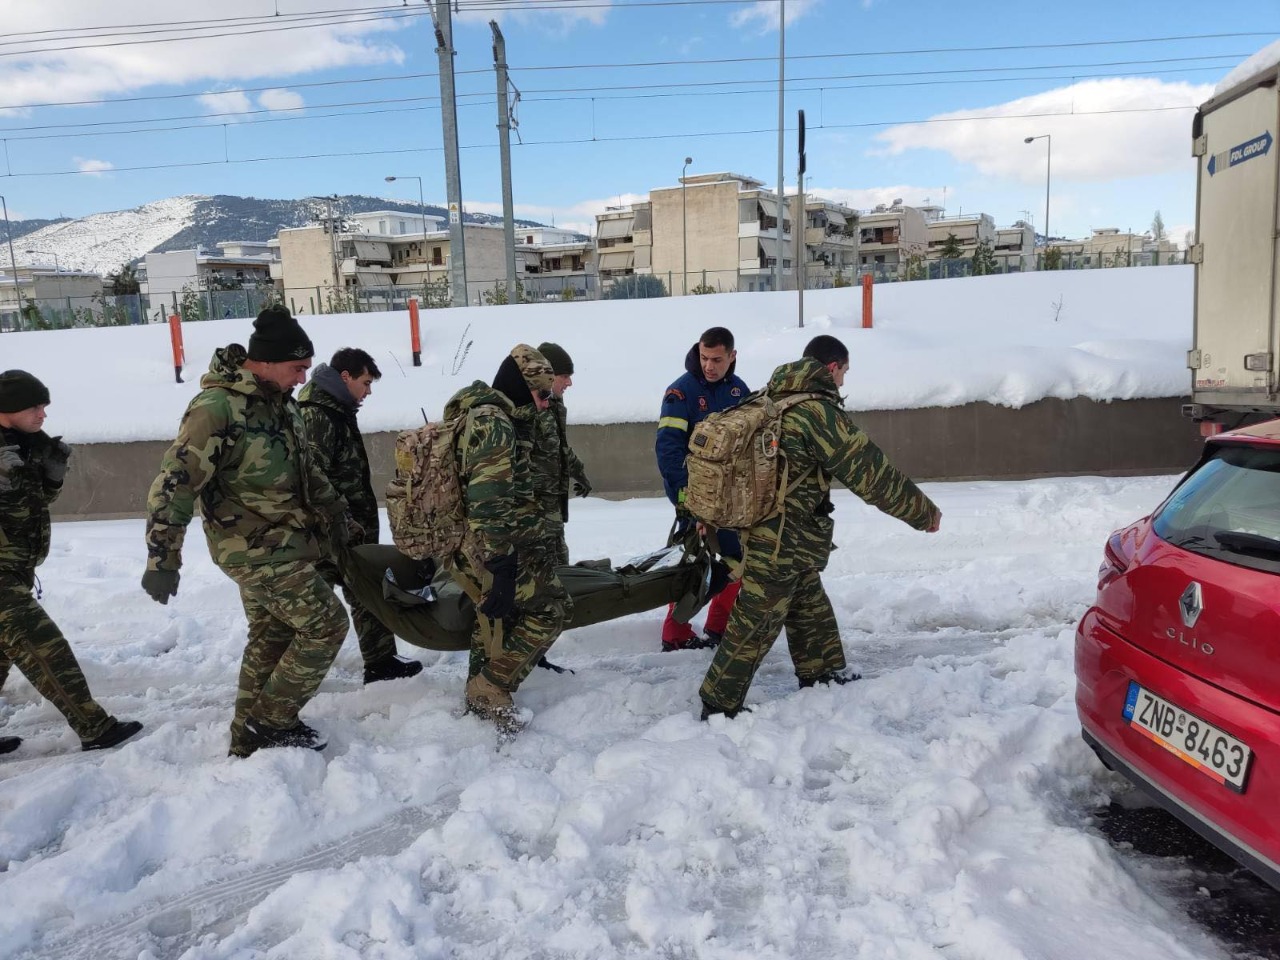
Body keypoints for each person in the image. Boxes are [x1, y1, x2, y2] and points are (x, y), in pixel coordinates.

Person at [142, 306, 355, 757]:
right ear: (268, 361)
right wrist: (162, 558)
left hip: (287, 544)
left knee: (273, 636)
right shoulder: (217, 408)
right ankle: (270, 722)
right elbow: (175, 483)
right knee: (327, 625)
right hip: (252, 549)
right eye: (297, 368)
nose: (303, 378)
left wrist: (338, 515)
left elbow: (307, 470)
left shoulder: (282, 405)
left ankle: (247, 737)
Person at [698, 335, 942, 719]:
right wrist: (922, 513)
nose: (843, 381)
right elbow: (869, 471)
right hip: (780, 538)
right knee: (756, 622)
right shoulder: (817, 412)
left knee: (807, 597)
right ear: (832, 368)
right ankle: (718, 702)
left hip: (784, 535)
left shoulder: (772, 397)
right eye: (843, 372)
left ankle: (822, 672)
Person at [0, 370, 142, 755]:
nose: (43, 413)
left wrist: (51, 476)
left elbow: (31, 504)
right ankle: (94, 727)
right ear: (7, 407)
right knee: (43, 646)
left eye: (44, 405)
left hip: (16, 567)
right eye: (34, 406)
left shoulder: (27, 443)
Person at [443, 344, 569, 735]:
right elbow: (489, 500)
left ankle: (480, 692)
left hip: (477, 544)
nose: (545, 404)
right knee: (552, 609)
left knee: (492, 618)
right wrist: (500, 562)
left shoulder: (483, 413)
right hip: (489, 547)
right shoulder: (494, 423)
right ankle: (491, 686)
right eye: (541, 394)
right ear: (520, 385)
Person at [298, 347, 422, 685]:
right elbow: (312, 476)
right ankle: (285, 676)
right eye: (365, 383)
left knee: (367, 590)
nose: (368, 391)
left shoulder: (337, 409)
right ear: (345, 377)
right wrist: (336, 521)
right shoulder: (318, 415)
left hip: (351, 527)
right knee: (314, 605)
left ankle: (381, 661)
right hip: (332, 532)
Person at [654, 326, 749, 651]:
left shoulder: (739, 392)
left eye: (717, 359)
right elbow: (668, 450)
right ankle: (675, 634)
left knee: (735, 562)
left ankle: (719, 628)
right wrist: (686, 501)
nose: (709, 365)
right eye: (704, 357)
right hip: (695, 499)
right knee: (693, 565)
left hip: (732, 501)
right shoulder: (680, 394)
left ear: (732, 357)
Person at [531, 342, 592, 566]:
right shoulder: (531, 408)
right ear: (547, 375)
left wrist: (579, 471)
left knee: (560, 567)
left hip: (552, 509)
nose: (569, 383)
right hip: (536, 515)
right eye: (564, 376)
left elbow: (559, 447)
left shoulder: (553, 404)